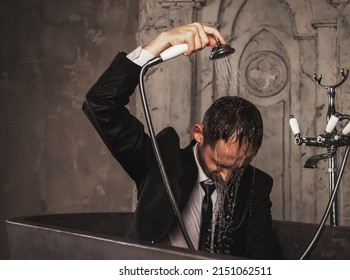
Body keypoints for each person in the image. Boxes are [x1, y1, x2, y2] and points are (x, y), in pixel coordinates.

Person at [83, 22, 282, 259]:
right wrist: (163, 40)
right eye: (220, 164)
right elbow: (100, 104)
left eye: (238, 168)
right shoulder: (159, 164)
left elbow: (264, 258)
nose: (227, 177)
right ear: (199, 133)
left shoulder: (255, 187)